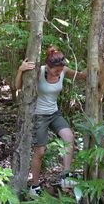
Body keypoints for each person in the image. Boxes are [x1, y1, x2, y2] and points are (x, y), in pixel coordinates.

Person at [15, 46, 86, 196]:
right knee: (39, 152)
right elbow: (18, 86)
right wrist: (21, 70)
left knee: (69, 137)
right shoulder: (38, 71)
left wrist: (95, 65)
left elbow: (80, 76)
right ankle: (34, 186)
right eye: (56, 70)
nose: (59, 73)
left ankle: (66, 175)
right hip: (38, 115)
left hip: (54, 113)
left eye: (61, 70)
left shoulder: (63, 70)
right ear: (48, 66)